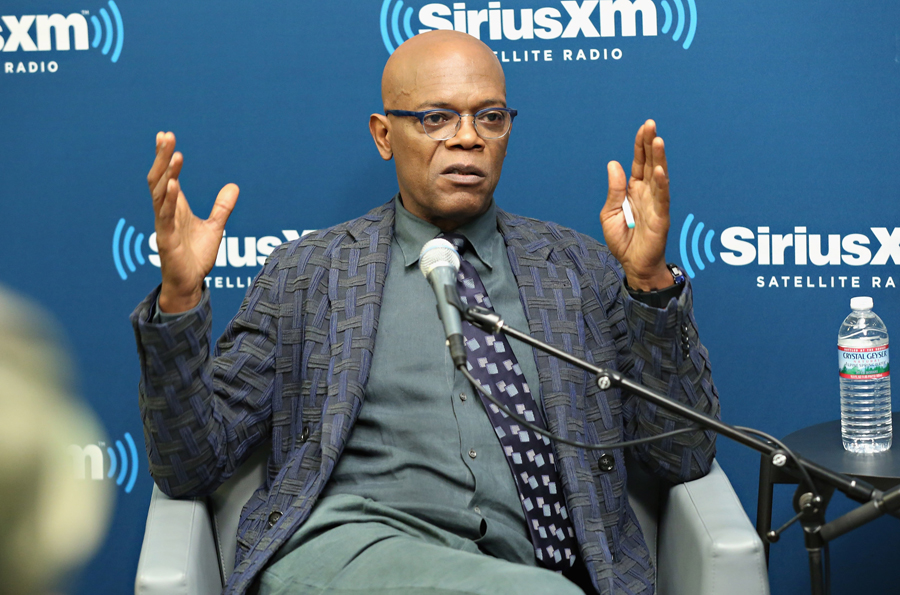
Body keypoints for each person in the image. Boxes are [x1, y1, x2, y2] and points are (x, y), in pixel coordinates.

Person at [132, 30, 718, 595]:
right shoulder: (307, 274)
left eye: (490, 117)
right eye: (436, 118)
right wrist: (180, 301)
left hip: (536, 569)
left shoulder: (578, 270)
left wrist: (647, 283)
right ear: (384, 135)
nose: (468, 139)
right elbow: (190, 465)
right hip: (352, 552)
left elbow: (683, 453)